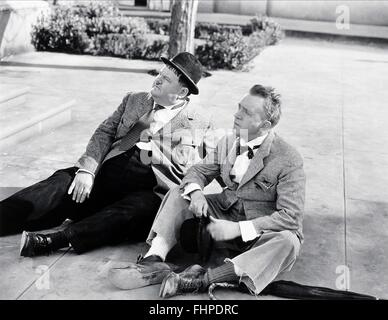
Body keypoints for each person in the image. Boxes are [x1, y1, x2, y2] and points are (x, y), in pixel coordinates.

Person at [0, 52, 215, 257]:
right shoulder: (134, 100)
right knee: (60, 183)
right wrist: (87, 170)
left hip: (147, 193)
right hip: (103, 179)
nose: (157, 80)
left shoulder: (200, 121)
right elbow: (105, 132)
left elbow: (214, 164)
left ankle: (56, 241)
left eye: (166, 79)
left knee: (138, 209)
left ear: (182, 92)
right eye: (159, 74)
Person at [108, 84, 306, 298]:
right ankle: (154, 259)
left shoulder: (288, 158)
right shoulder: (230, 141)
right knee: (177, 193)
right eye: (239, 107)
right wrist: (196, 193)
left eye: (246, 112)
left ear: (265, 124)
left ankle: (202, 279)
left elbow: (291, 216)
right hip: (222, 213)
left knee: (288, 242)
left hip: (260, 231)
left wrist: (238, 228)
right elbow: (198, 171)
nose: (236, 115)